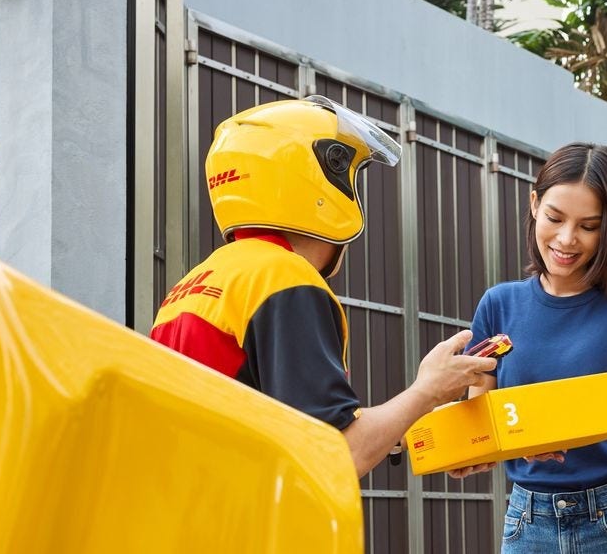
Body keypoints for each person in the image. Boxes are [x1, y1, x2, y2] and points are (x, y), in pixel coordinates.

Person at [151, 95, 495, 477]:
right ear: (319, 181)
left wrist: (414, 425)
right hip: (249, 513)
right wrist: (428, 389)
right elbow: (337, 454)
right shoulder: (284, 280)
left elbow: (279, 426)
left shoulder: (196, 284)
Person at [448, 142, 607, 553]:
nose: (567, 239)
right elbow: (482, 419)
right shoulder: (498, 305)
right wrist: (482, 449)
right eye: (555, 218)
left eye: (589, 226)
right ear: (534, 204)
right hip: (529, 522)